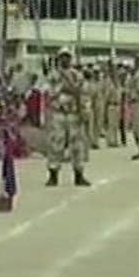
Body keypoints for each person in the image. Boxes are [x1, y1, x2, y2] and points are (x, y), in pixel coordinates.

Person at [45, 48, 90, 188]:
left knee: (77, 146)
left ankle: (79, 174)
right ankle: (53, 174)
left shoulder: (77, 75)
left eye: (67, 57)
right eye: (62, 57)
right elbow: (50, 93)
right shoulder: (53, 75)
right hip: (59, 113)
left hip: (74, 114)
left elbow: (84, 94)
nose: (65, 60)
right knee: (55, 145)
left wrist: (84, 111)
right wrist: (65, 88)